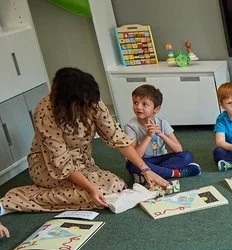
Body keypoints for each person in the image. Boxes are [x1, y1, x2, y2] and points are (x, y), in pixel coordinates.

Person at [0, 67, 169, 213]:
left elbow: (116, 137)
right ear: (70, 103)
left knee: (116, 185)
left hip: (83, 163)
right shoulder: (46, 113)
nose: (92, 108)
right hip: (49, 167)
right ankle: (18, 199)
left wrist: (145, 170)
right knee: (93, 196)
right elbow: (62, 163)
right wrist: (91, 189)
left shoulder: (91, 100)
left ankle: (85, 189)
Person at [123, 84, 201, 183]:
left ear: (156, 109)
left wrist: (161, 134)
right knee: (131, 164)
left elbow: (178, 149)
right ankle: (176, 173)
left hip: (161, 159)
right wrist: (148, 136)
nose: (138, 107)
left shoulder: (162, 123)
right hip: (144, 161)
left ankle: (151, 175)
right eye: (135, 103)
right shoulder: (130, 127)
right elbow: (135, 156)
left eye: (144, 104)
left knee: (187, 155)